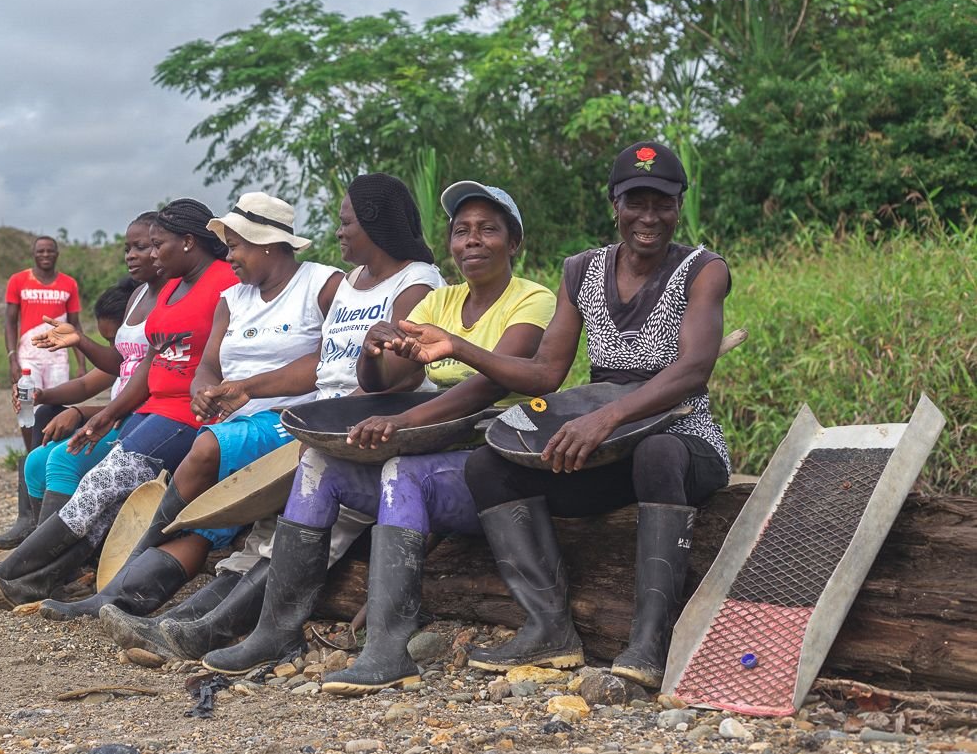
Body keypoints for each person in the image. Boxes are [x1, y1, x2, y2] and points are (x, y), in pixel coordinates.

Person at [200, 183, 555, 692]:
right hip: (432, 444)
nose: (472, 241)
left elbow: (492, 384)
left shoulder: (533, 298)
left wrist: (418, 402)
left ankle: (389, 645)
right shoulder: (441, 301)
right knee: (318, 466)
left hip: (489, 458)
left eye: (488, 230)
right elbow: (383, 382)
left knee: (397, 473)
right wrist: (372, 349)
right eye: (461, 231)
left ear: (513, 243)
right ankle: (274, 629)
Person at [99, 173, 445, 657]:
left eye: (347, 223)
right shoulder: (350, 284)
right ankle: (181, 622)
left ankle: (225, 633)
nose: (340, 231)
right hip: (320, 426)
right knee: (262, 538)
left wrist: (350, 371)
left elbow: (400, 377)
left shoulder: (418, 282)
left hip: (367, 429)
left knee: (307, 533)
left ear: (375, 223)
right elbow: (326, 363)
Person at [429, 142, 731, 689]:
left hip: (684, 441)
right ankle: (549, 629)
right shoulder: (582, 270)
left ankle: (649, 642)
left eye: (662, 204)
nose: (648, 217)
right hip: (611, 449)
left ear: (678, 205)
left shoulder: (702, 270)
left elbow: (691, 372)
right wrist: (457, 346)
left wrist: (607, 415)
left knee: (660, 451)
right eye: (635, 202)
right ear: (614, 203)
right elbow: (546, 372)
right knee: (488, 467)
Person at [36, 192, 343, 622]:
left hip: (289, 420)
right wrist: (205, 389)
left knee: (206, 449)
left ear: (266, 243)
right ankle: (126, 604)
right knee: (200, 527)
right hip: (235, 421)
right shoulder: (234, 298)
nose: (230, 256)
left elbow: (332, 360)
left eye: (236, 245)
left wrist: (249, 388)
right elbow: (208, 364)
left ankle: (127, 571)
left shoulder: (322, 284)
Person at [0, 198, 239, 608]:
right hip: (150, 410)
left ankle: (9, 572)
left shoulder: (226, 281)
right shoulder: (173, 286)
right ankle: (35, 580)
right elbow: (148, 366)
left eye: (158, 245)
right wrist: (109, 413)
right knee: (104, 500)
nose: (153, 255)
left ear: (189, 242)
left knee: (97, 486)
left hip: (185, 415)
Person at [0, 213, 166, 549]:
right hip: (118, 414)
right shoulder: (140, 300)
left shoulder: (168, 305)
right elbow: (98, 377)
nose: (131, 255)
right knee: (38, 456)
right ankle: (32, 537)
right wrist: (42, 395)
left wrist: (84, 413)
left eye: (142, 246)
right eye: (128, 248)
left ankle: (45, 561)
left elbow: (149, 388)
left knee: (62, 456)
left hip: (141, 422)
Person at [5, 235, 83, 450]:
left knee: (55, 405)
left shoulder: (69, 284)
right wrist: (13, 359)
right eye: (41, 251)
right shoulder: (18, 281)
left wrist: (82, 363)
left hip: (58, 356)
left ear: (57, 254)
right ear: (34, 254)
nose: (45, 255)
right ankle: (31, 454)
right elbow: (10, 322)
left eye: (50, 251)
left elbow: (76, 324)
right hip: (28, 356)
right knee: (26, 404)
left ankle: (50, 452)